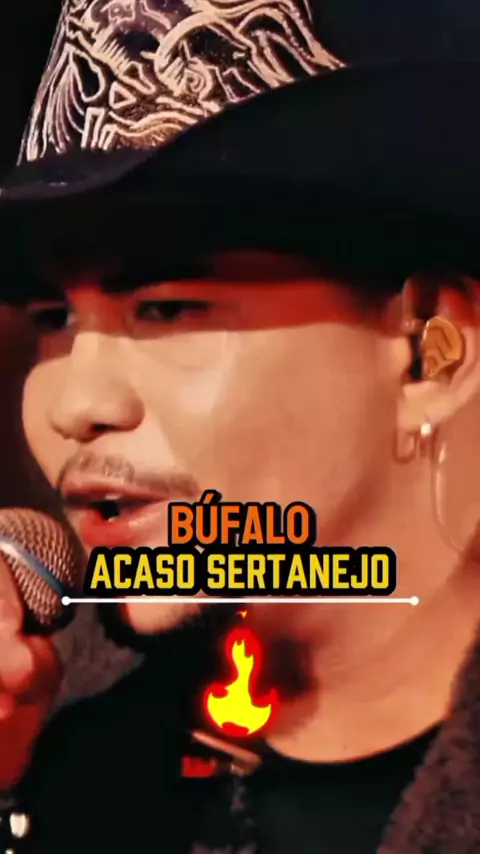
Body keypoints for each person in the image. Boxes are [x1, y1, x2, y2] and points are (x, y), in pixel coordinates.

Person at [3, 0, 480, 852]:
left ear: (428, 352)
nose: (75, 404)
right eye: (54, 319)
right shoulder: (57, 736)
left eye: (168, 307)